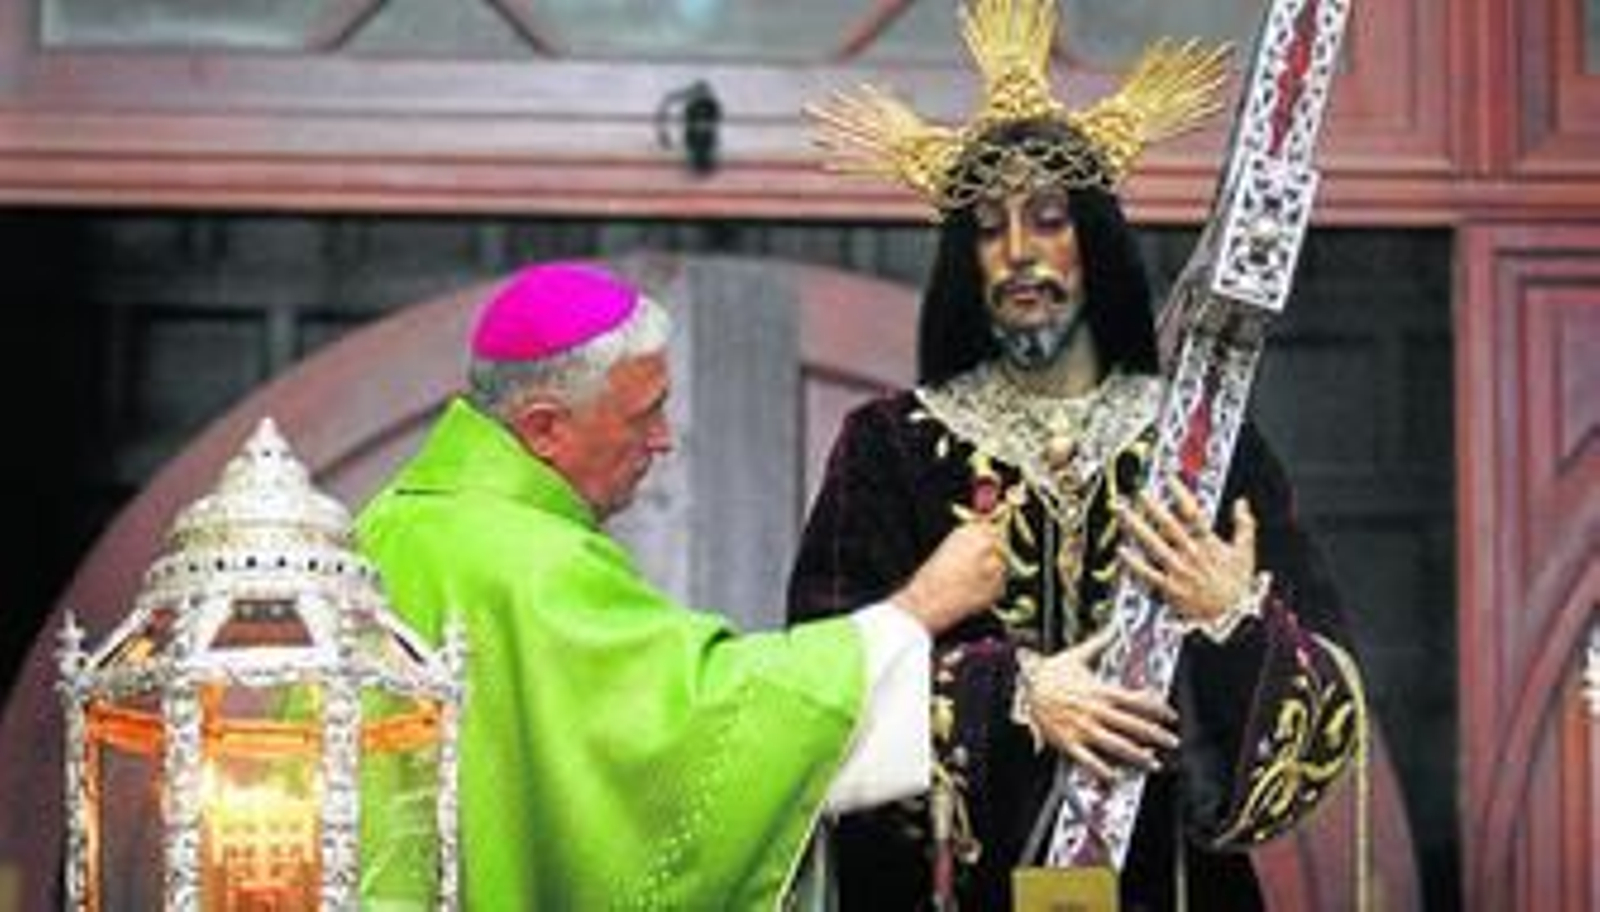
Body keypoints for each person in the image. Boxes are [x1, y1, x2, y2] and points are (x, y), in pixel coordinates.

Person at [789, 0, 1367, 909]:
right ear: (965, 259)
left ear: (1094, 242)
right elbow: (814, 697)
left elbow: (1329, 714)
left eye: (1051, 220)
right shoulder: (891, 449)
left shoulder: (1203, 442)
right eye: (989, 228)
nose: (1020, 252)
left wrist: (1233, 617)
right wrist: (1011, 696)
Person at [354, 261, 1007, 910]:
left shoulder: (388, 524)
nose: (663, 440)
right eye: (643, 416)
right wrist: (920, 606)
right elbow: (698, 729)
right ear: (545, 428)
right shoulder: (529, 563)